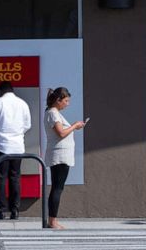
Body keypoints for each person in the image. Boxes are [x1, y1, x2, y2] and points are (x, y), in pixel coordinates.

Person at [0, 81, 32, 220]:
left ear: (0, 91)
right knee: (15, 178)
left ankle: (0, 211)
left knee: (0, 178)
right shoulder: (23, 103)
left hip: (1, 146)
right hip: (18, 147)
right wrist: (17, 135)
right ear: (12, 90)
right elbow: (27, 125)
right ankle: (15, 210)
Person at [43, 87, 86, 229]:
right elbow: (61, 133)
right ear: (58, 100)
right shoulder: (53, 114)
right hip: (59, 155)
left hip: (60, 155)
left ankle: (52, 220)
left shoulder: (54, 113)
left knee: (57, 187)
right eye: (66, 101)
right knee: (57, 188)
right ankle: (53, 221)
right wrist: (74, 126)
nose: (67, 104)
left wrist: (74, 127)